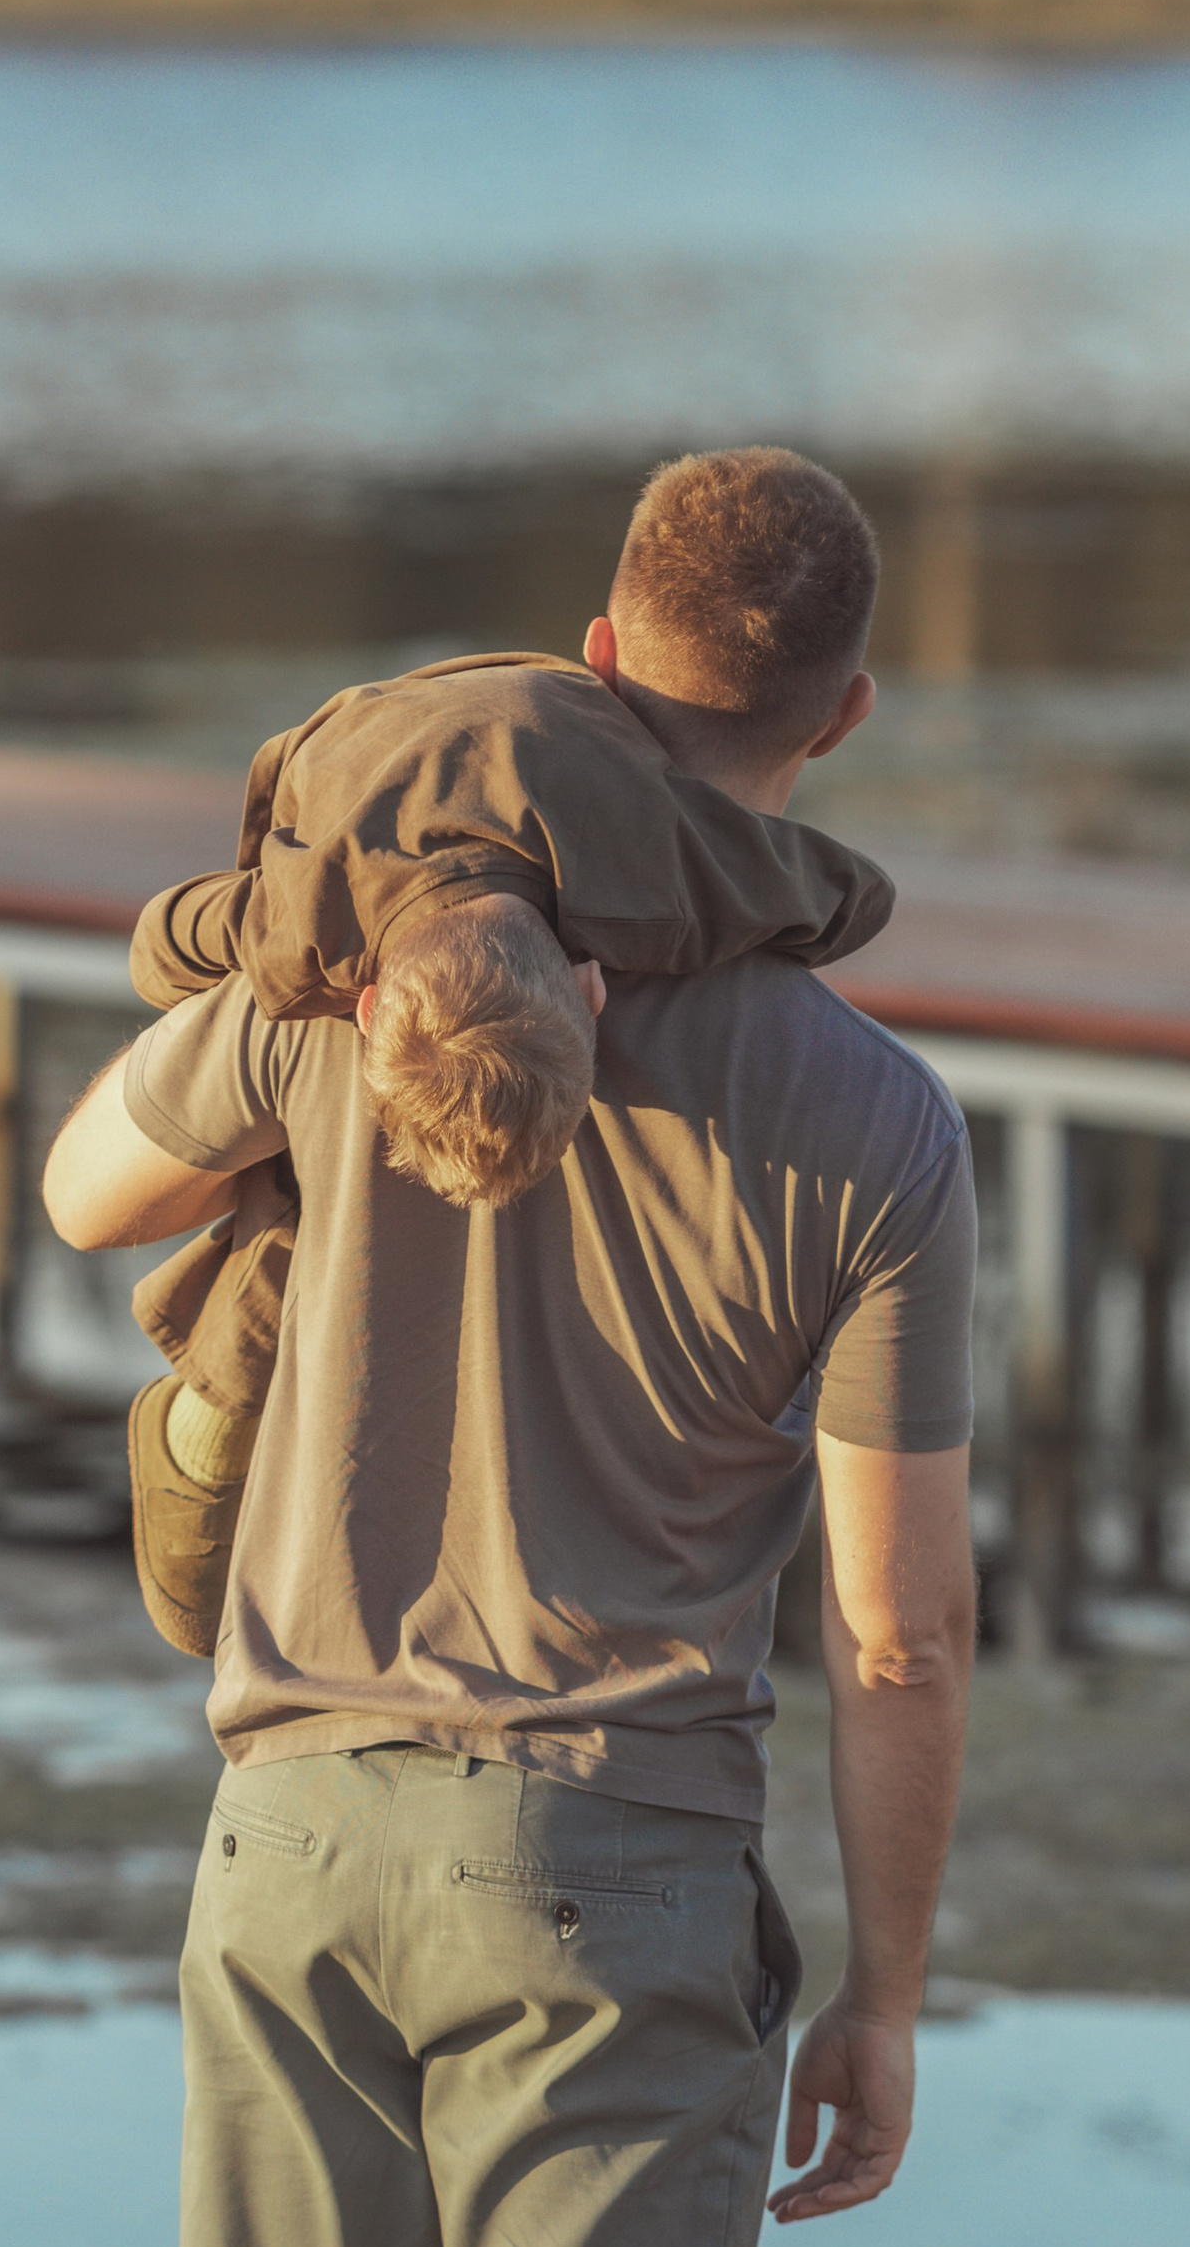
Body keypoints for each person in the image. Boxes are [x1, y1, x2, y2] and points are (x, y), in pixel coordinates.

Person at [42, 444, 978, 2247]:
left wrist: (285, 995)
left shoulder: (344, 993)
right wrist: (896, 1987)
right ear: (831, 716)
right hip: (614, 1873)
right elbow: (893, 1622)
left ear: (596, 649)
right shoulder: (858, 1111)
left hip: (289, 1839)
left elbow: (87, 1197)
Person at [120, 648, 892, 1649]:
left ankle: (225, 1399)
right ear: (592, 985)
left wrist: (251, 946)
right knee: (303, 1165)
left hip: (486, 714)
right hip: (381, 720)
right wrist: (262, 946)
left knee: (302, 1166)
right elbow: (162, 939)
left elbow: (837, 894)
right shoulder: (308, 929)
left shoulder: (654, 888)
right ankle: (216, 1406)